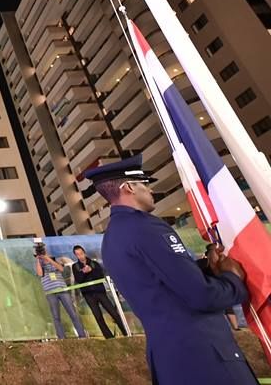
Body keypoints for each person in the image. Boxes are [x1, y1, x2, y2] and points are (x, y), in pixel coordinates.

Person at [86, 154, 257, 385]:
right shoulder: (147, 227)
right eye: (145, 185)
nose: (151, 191)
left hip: (169, 359)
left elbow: (158, 284)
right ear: (129, 188)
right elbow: (200, 295)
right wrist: (233, 280)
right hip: (204, 354)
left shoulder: (111, 241)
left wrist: (206, 267)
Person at [34, 239, 87, 339]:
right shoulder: (37, 263)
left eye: (43, 249)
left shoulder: (54, 259)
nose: (42, 252)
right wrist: (38, 259)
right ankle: (62, 338)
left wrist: (47, 258)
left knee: (72, 312)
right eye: (40, 250)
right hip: (50, 292)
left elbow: (61, 269)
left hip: (62, 289)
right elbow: (40, 274)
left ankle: (82, 335)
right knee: (56, 316)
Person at [71, 245, 127, 338]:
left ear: (84, 253)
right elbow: (79, 279)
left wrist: (91, 270)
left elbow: (100, 275)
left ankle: (126, 332)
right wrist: (84, 272)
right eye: (77, 254)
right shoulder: (75, 267)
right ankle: (109, 337)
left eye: (81, 253)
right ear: (75, 256)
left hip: (100, 291)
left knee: (113, 312)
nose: (80, 256)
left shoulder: (94, 263)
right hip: (88, 294)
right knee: (98, 316)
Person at [196, 243, 240, 331]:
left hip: (211, 286)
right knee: (225, 306)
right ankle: (234, 327)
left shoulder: (207, 261)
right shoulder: (218, 260)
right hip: (214, 286)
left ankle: (232, 327)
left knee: (222, 307)